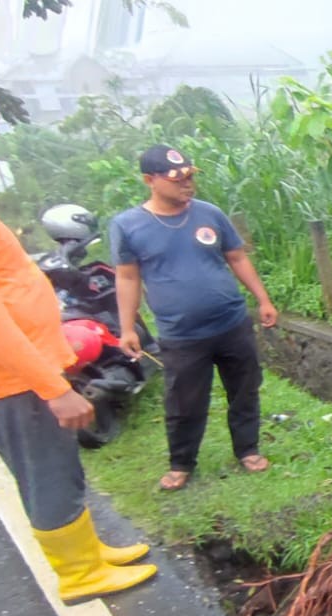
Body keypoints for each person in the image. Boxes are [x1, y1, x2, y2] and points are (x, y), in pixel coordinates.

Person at [0, 62, 156, 602]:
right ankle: (81, 575)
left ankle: (90, 555)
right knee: (47, 469)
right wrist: (53, 388)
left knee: (55, 463)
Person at [111, 144, 278, 491]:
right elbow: (128, 277)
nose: (187, 185)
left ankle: (247, 449)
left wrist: (262, 299)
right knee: (185, 401)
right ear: (149, 180)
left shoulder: (210, 214)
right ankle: (181, 463)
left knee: (245, 390)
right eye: (177, 179)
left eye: (190, 177)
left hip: (231, 323)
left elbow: (237, 258)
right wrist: (128, 328)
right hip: (182, 334)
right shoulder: (129, 226)